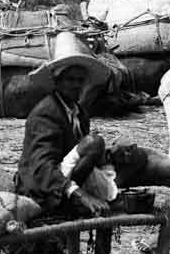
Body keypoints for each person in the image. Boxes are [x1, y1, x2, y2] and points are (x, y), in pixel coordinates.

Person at [15, 33, 116, 216]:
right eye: (70, 80)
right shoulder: (45, 113)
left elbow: (75, 157)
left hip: (65, 177)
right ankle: (67, 201)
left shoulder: (79, 112)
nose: (76, 85)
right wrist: (80, 194)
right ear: (57, 82)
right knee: (93, 143)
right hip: (41, 188)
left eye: (80, 80)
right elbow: (42, 167)